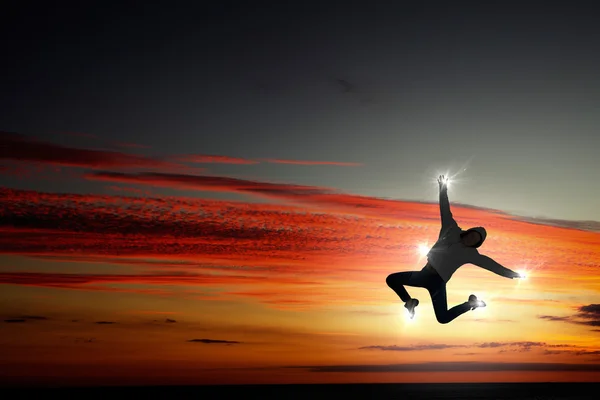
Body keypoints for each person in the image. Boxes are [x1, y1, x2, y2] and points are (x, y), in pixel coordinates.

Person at [385, 175, 522, 324]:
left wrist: (510, 274)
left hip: (438, 282)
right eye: (473, 236)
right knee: (392, 279)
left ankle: (470, 304)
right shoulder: (450, 228)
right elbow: (444, 208)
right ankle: (409, 302)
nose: (471, 240)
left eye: (476, 241)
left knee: (442, 318)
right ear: (469, 232)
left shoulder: (470, 254)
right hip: (424, 273)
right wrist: (443, 188)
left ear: (476, 245)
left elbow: (490, 264)